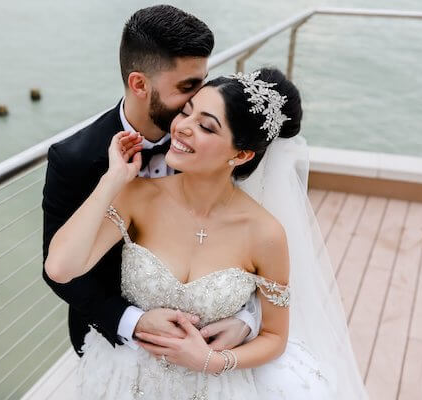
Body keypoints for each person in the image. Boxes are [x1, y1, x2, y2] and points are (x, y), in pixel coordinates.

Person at [45, 67, 369, 399]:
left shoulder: (266, 234)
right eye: (186, 112)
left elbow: (274, 336)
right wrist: (111, 180)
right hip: (123, 379)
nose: (182, 127)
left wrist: (212, 360)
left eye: (205, 126)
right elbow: (60, 267)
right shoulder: (137, 196)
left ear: (240, 154)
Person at [41, 4, 258, 362]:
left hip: (211, 346)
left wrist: (246, 319)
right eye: (188, 86)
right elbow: (58, 269)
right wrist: (133, 322)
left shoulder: (218, 143)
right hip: (113, 343)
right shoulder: (75, 159)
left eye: (202, 81)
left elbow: (251, 243)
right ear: (139, 84)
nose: (200, 99)